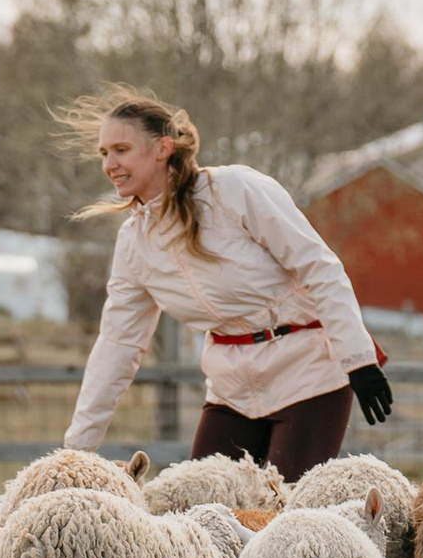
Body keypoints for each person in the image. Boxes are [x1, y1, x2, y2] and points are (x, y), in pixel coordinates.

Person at [59, 88, 390, 480]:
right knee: (201, 514)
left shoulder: (234, 191)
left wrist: (359, 361)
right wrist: (76, 451)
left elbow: (320, 268)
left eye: (121, 149)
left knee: (283, 518)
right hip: (231, 388)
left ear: (163, 147)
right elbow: (118, 344)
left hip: (306, 372)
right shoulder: (134, 242)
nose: (109, 164)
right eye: (103, 154)